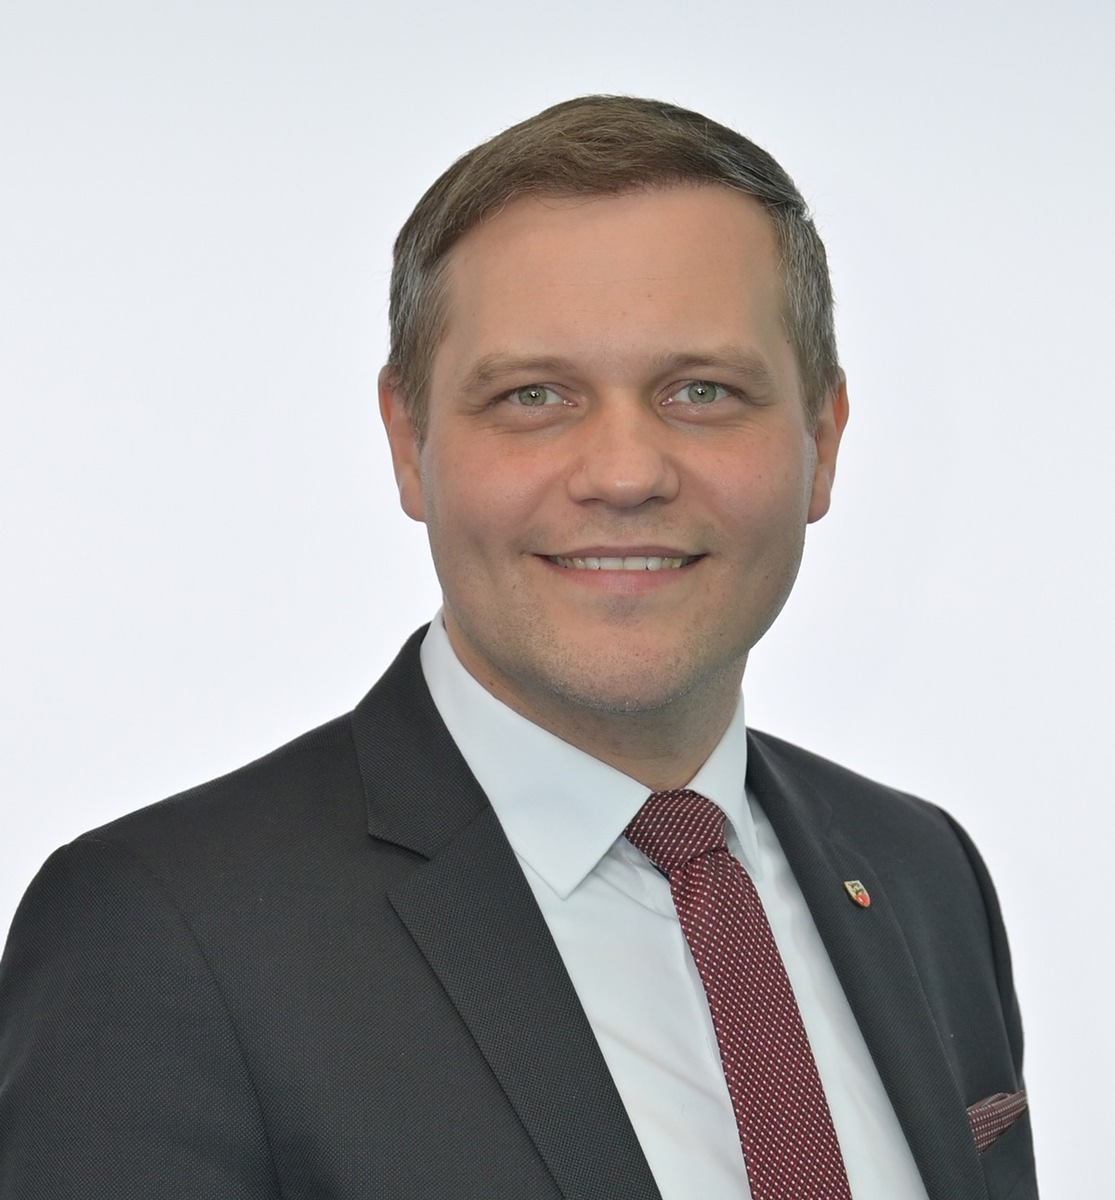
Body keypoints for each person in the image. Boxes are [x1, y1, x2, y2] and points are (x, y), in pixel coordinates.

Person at [0, 96, 1036, 1199]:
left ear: (820, 441)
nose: (624, 472)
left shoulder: (922, 874)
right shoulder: (162, 936)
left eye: (702, 391)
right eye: (533, 396)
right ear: (409, 442)